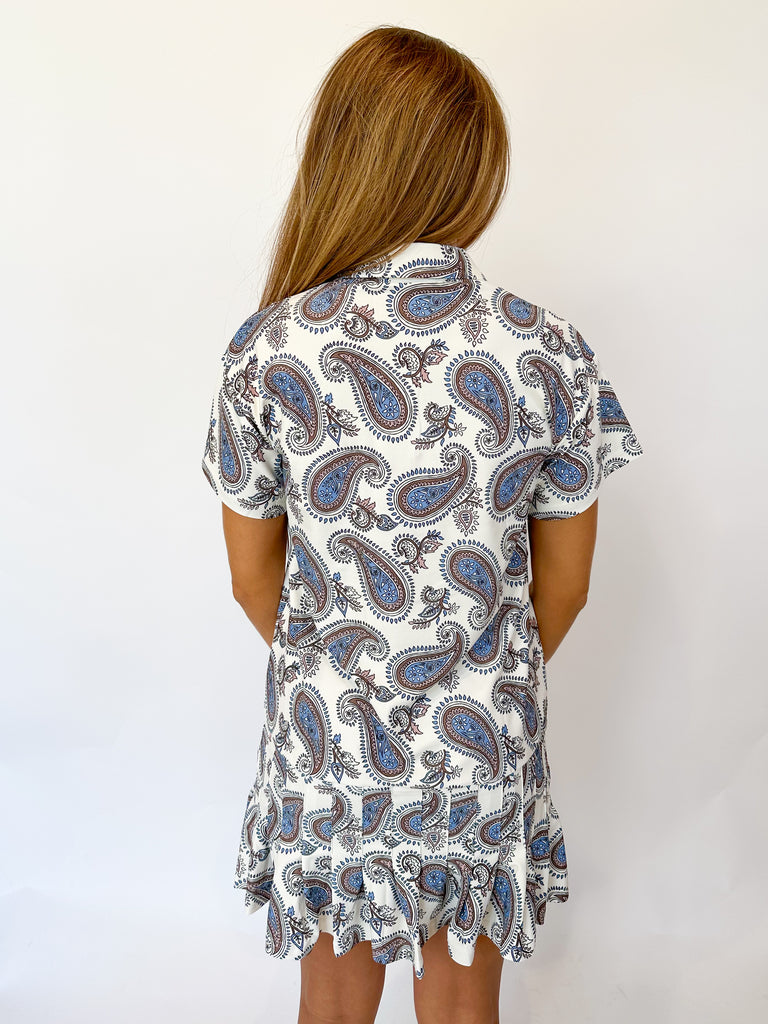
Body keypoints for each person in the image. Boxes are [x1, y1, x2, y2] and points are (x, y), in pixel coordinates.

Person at [200, 24, 644, 1024]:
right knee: (462, 1010)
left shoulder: (270, 350)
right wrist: (465, 674)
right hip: (479, 750)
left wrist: (352, 679)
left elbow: (250, 577)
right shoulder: (548, 351)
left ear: (344, 157)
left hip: (328, 747)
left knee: (331, 1006)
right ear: (472, 166)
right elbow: (566, 586)